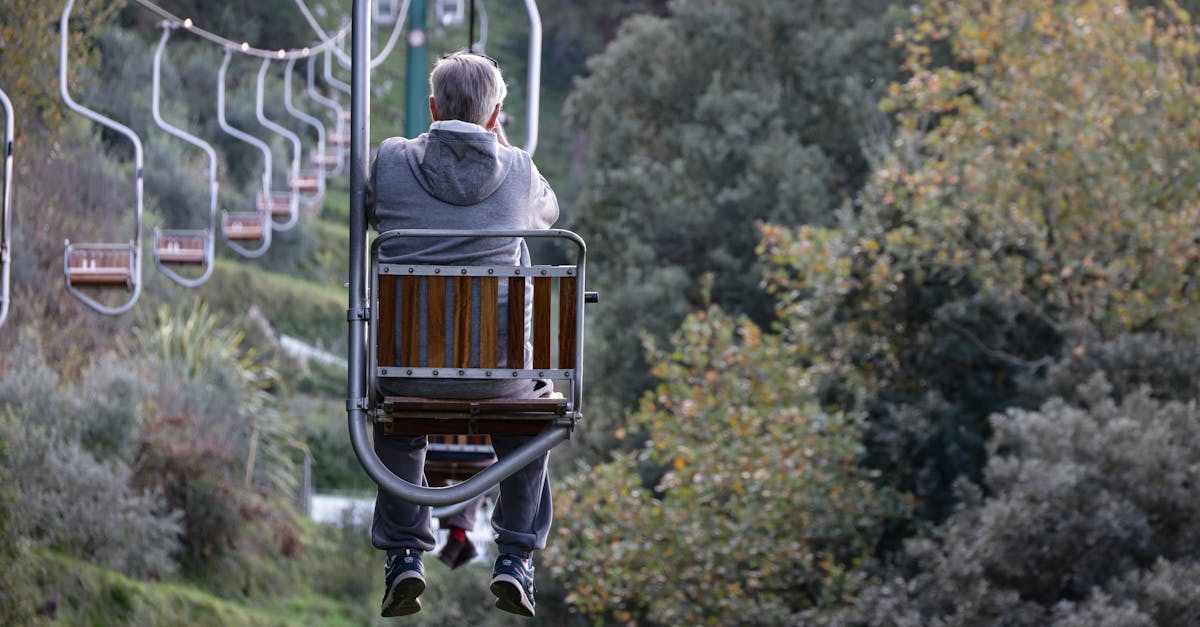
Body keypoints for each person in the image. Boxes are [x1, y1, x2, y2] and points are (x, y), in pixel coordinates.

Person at [364, 51, 559, 618]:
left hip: (407, 372)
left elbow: (373, 209)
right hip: (499, 380)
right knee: (530, 421)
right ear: (496, 116)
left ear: (431, 108)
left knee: (399, 421)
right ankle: (516, 555)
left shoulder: (392, 161)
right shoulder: (519, 169)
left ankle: (405, 552)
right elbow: (547, 210)